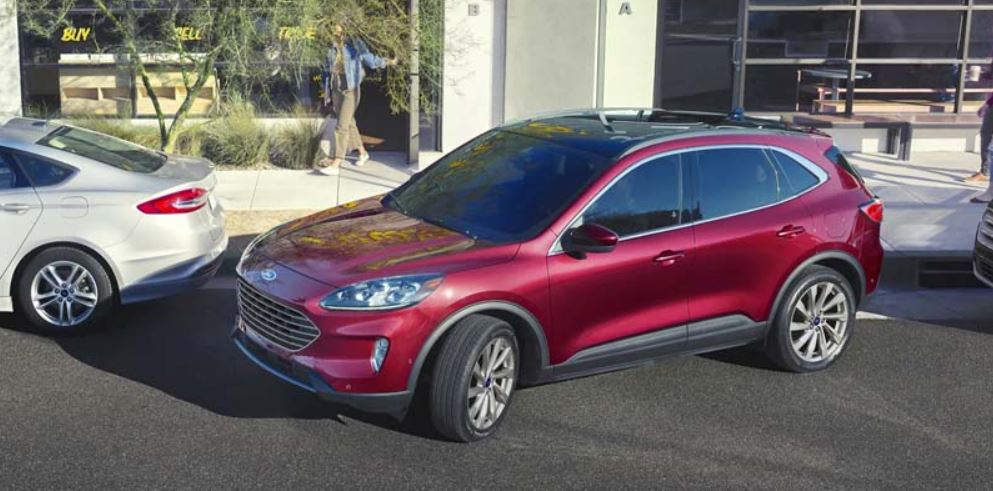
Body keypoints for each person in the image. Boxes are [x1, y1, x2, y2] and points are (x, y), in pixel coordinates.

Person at [316, 22, 397, 175]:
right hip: (336, 88)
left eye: (337, 24)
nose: (334, 27)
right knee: (349, 122)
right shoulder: (329, 45)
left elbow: (370, 60)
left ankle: (337, 162)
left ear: (344, 26)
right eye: (332, 24)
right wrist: (325, 89)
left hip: (351, 89)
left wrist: (387, 61)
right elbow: (325, 69)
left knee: (341, 126)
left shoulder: (354, 43)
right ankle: (362, 152)